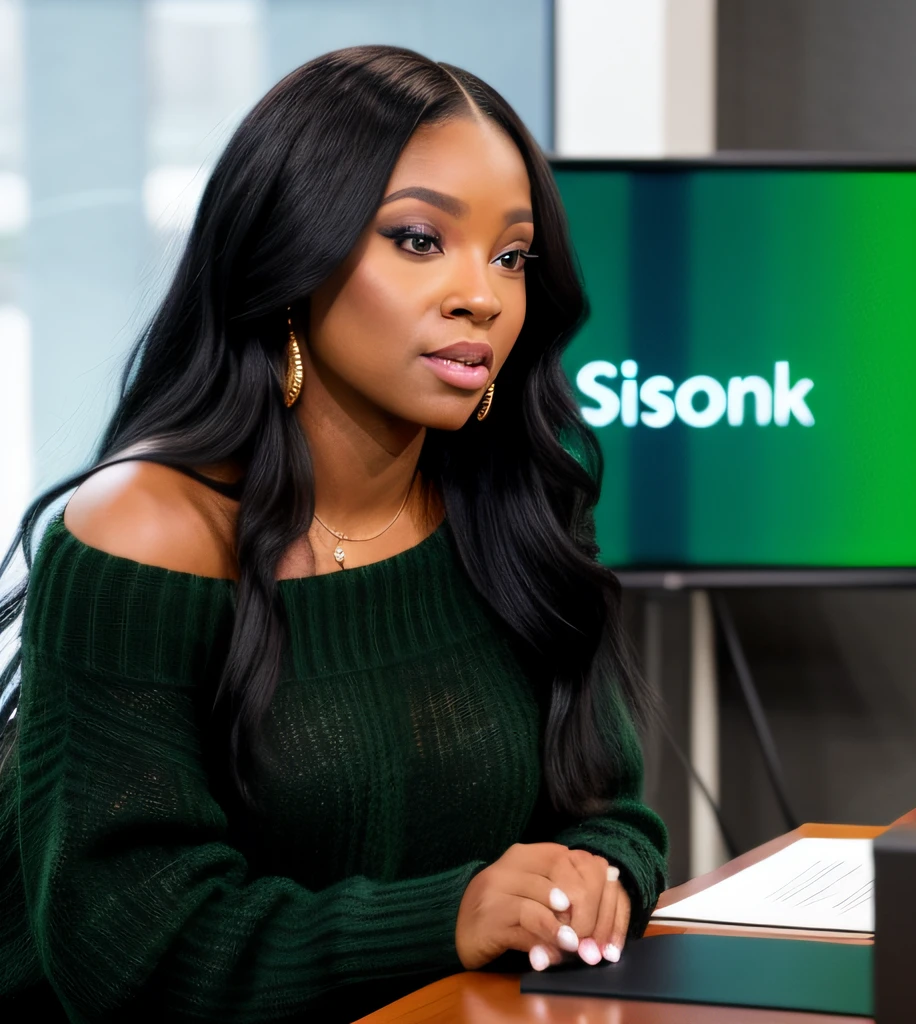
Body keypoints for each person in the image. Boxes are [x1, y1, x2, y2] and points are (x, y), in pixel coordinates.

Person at [0, 45, 669, 1022]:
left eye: (511, 255)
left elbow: (610, 811)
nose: (480, 294)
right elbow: (133, 948)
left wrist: (587, 882)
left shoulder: (514, 508)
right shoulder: (145, 533)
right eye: (417, 239)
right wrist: (455, 913)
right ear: (289, 259)